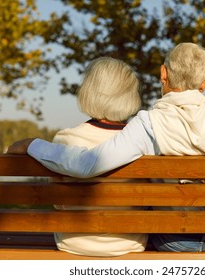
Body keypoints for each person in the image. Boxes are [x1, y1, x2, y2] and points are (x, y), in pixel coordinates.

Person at [7, 42, 205, 253]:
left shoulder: (149, 123)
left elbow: (88, 164)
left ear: (163, 74)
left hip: (171, 239)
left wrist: (34, 144)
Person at [46, 56, 147, 257]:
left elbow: (58, 202)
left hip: (73, 242)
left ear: (88, 92)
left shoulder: (66, 140)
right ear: (130, 95)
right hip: (129, 243)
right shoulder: (142, 143)